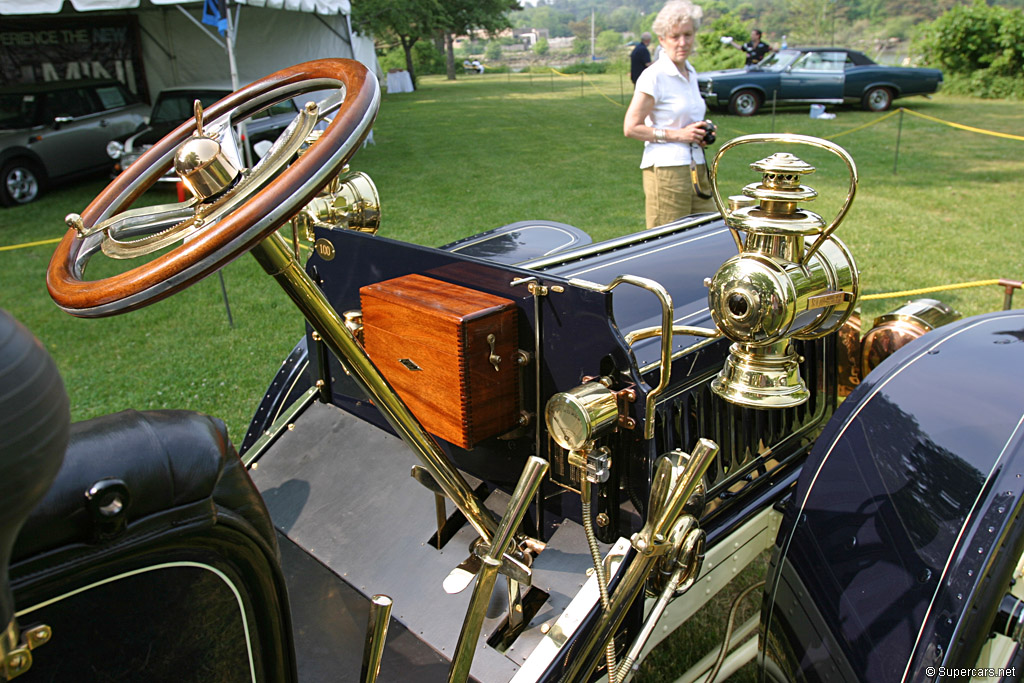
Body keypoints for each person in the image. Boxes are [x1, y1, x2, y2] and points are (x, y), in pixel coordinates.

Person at [623, 0, 715, 229]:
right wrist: (679, 135)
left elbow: (685, 121)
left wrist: (702, 130)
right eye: (675, 36)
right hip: (667, 170)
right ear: (662, 40)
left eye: (688, 34)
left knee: (708, 233)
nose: (682, 42)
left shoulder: (690, 72)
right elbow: (631, 127)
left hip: (697, 166)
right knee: (668, 243)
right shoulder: (654, 76)